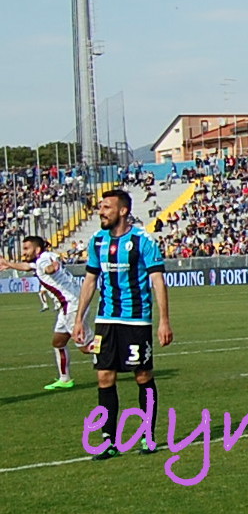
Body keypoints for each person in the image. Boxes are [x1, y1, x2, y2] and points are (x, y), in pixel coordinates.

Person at [72, 189, 173, 458]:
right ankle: (108, 441)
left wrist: (163, 321)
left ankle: (148, 436)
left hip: (136, 320)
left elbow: (157, 281)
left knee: (142, 375)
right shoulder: (96, 241)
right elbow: (90, 280)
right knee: (104, 376)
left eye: (107, 207)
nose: (101, 212)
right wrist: (79, 318)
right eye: (101, 207)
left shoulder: (143, 240)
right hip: (105, 319)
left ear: (123, 210)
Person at [0, 235, 91, 391]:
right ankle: (65, 379)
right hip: (67, 306)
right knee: (58, 342)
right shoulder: (45, 257)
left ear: (37, 249)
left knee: (85, 346)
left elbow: (48, 268)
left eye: (27, 248)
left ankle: (116, 348)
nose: (24, 252)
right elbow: (28, 267)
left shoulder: (43, 260)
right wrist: (9, 264)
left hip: (72, 306)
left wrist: (51, 268)